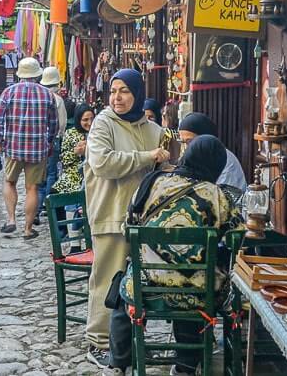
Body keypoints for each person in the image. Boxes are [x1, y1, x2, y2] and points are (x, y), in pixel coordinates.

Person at [104, 135, 237, 376]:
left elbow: (128, 227)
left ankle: (116, 364)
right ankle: (185, 366)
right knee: (197, 285)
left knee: (123, 289)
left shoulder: (152, 182)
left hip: (146, 285)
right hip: (197, 290)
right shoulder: (218, 196)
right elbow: (235, 236)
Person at [83, 69, 169, 367]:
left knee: (138, 283)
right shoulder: (103, 124)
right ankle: (99, 341)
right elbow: (103, 163)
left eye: (124, 91)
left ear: (137, 94)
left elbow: (167, 167)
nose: (117, 98)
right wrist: (148, 157)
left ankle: (129, 340)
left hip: (144, 221)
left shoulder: (153, 129)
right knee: (107, 280)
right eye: (113, 91)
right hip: (111, 214)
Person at [0, 57, 59, 240]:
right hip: (38, 149)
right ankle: (28, 229)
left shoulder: (9, 92)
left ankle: (11, 220)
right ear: (38, 74)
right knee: (32, 188)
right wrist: (50, 142)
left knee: (9, 182)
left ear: (20, 74)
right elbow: (54, 123)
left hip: (13, 147)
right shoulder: (48, 95)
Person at [178, 112, 247, 192]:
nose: (186, 147)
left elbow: (224, 197)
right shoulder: (192, 158)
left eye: (190, 141)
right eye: (183, 142)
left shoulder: (225, 160)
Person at [37, 66, 68, 219]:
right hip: (52, 140)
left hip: (37, 141)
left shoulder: (38, 97)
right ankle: (47, 204)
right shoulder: (58, 100)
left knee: (38, 176)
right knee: (51, 174)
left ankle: (36, 208)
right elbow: (61, 124)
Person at [53, 103, 93, 196]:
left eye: (92, 119)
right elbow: (63, 159)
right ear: (79, 120)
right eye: (85, 120)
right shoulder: (70, 133)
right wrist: (75, 152)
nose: (90, 123)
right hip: (73, 175)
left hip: (93, 175)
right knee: (54, 194)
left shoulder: (98, 132)